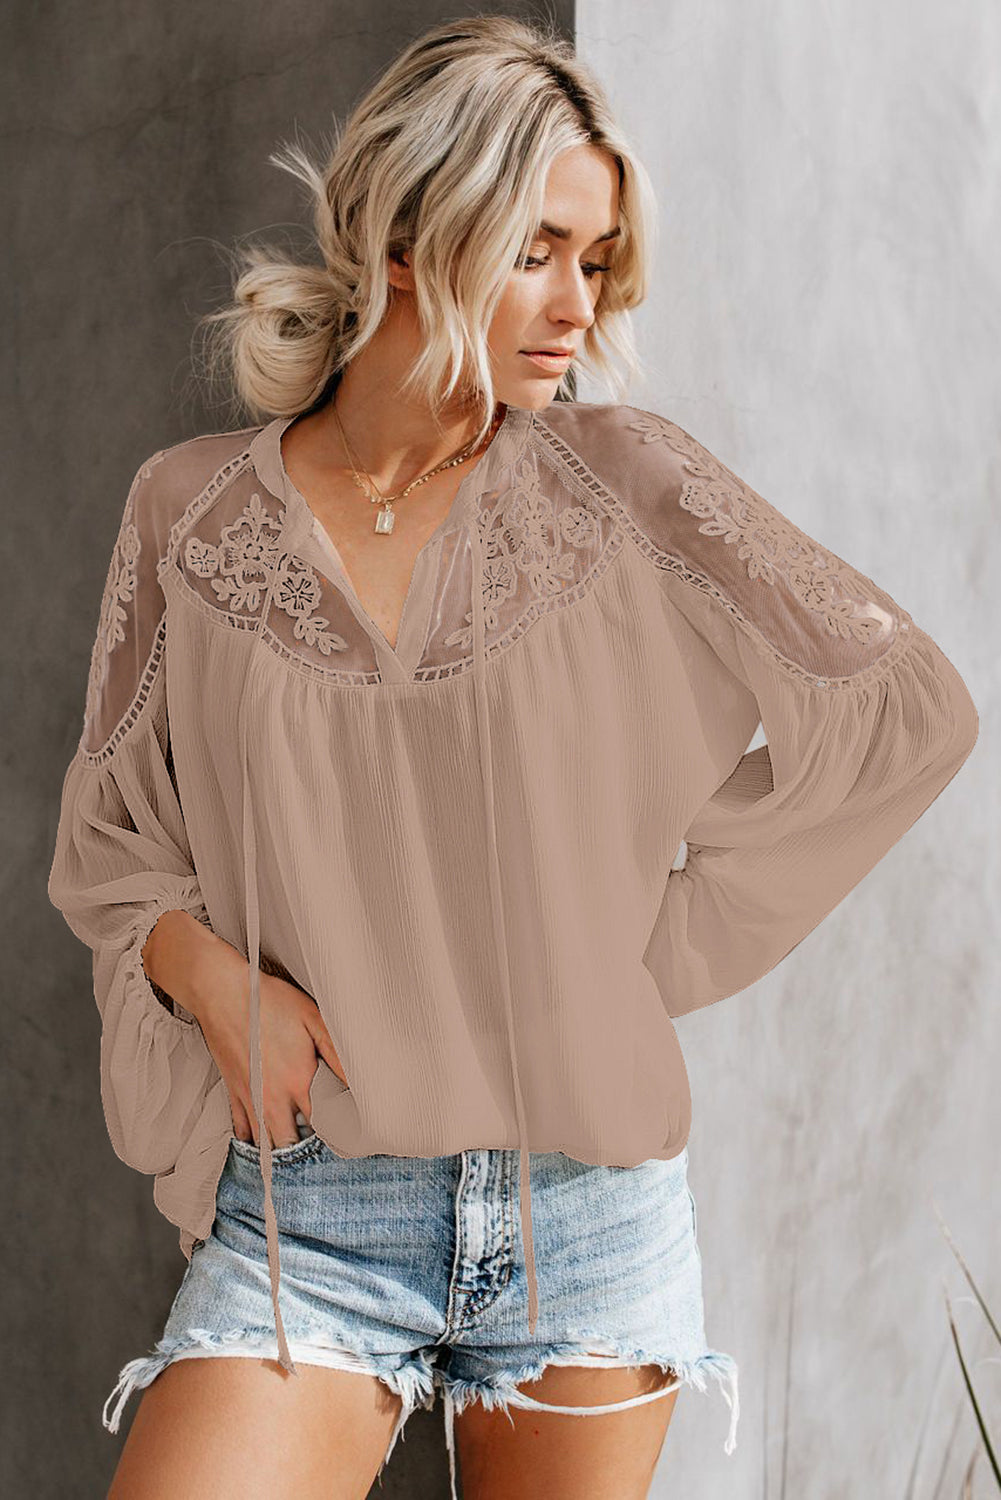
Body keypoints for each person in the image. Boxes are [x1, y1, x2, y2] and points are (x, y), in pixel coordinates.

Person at [46, 15, 978, 1500]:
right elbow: (112, 841)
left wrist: (638, 939)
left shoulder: (626, 482)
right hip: (313, 1215)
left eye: (593, 261)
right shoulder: (192, 514)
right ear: (407, 240)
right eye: (536, 250)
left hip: (587, 1218)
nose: (574, 304)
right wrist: (211, 980)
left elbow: (901, 708)